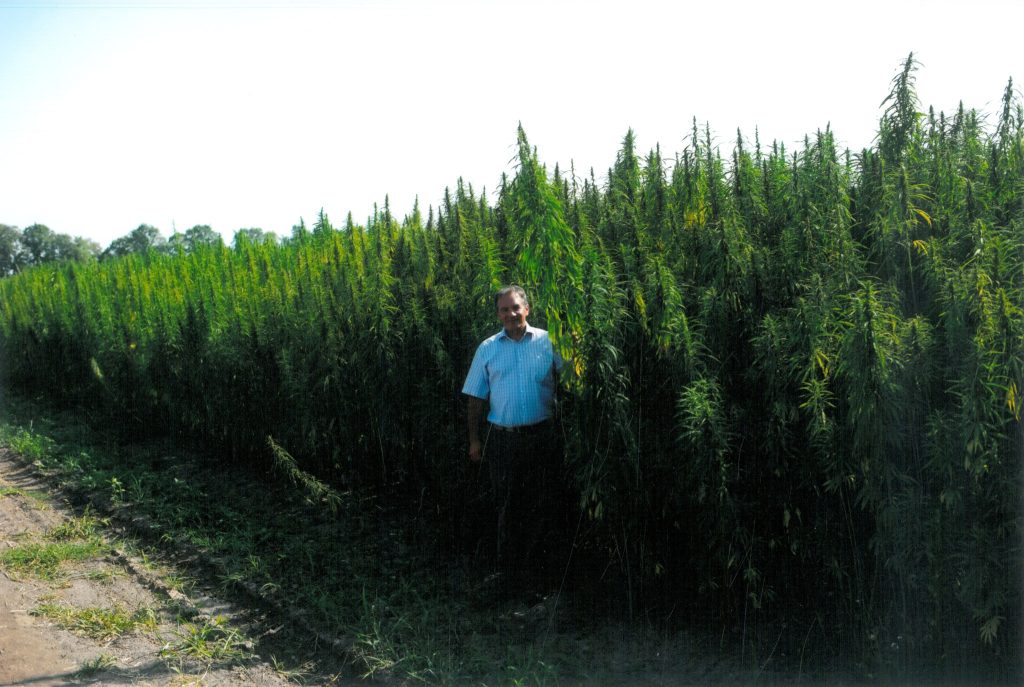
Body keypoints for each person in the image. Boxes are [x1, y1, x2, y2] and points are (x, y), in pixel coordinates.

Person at [462, 285, 563, 592]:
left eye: (515, 307)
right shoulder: (488, 348)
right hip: (503, 441)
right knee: (508, 504)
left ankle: (540, 578)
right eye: (504, 310)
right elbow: (475, 398)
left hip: (542, 437)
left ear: (527, 309)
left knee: (542, 505)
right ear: (498, 314)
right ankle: (508, 575)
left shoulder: (549, 342)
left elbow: (572, 381)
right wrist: (474, 440)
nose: (510, 314)